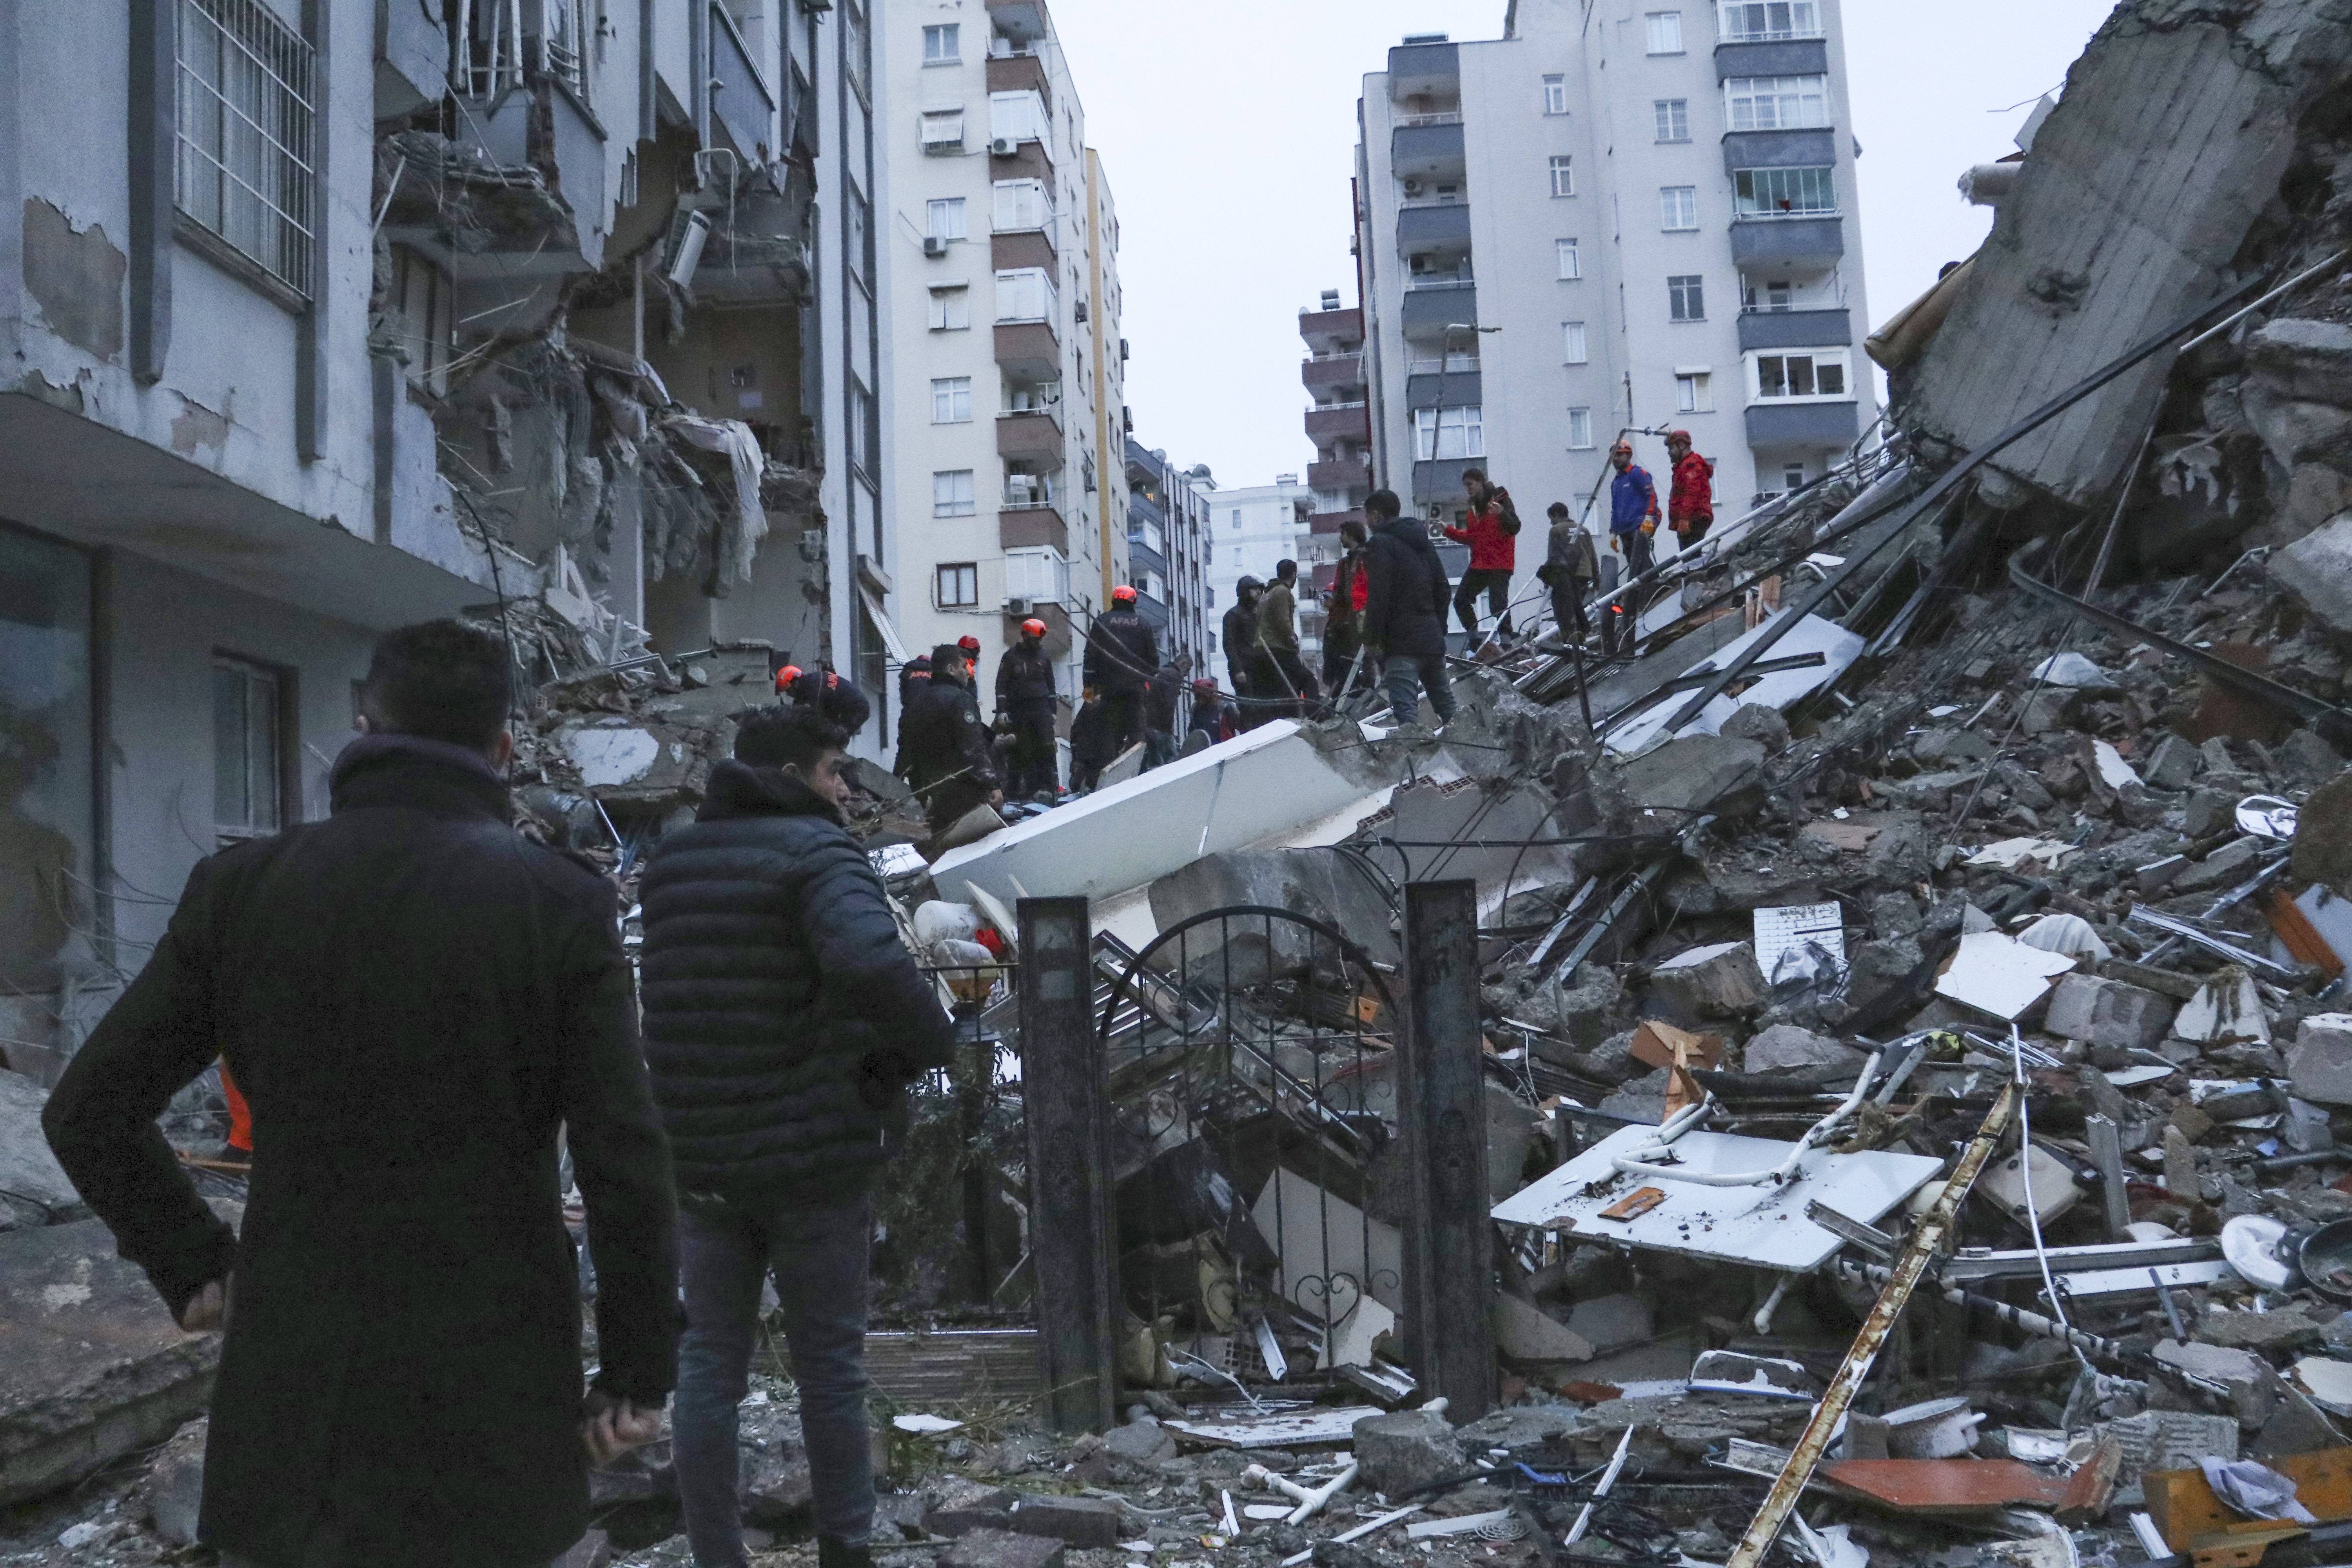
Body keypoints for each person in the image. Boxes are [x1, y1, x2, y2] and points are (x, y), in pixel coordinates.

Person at [43, 619, 680, 1568]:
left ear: (363, 723)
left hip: (300, 1381)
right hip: (491, 1383)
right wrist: (635, 1371)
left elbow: (87, 1108)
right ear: (503, 748)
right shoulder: (559, 903)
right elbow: (622, 1155)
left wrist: (193, 1262)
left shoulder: (243, 889)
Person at [640, 690, 957, 1568]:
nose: (847, 792)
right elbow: (866, 958)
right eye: (833, 772)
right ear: (792, 777)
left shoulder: (672, 863)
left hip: (701, 1158)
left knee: (709, 1365)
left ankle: (715, 1553)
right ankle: (845, 1550)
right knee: (829, 1366)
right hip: (814, 1157)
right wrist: (931, 1042)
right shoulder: (819, 853)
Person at [1360, 488, 1456, 728]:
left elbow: (1379, 596)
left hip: (1401, 643)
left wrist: (1372, 639)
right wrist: (1439, 626)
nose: (1368, 523)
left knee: (1408, 718)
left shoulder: (1380, 544)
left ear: (1376, 515)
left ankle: (1416, 762)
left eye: (1368, 516)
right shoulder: (1423, 542)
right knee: (1450, 711)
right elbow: (1443, 589)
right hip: (1431, 640)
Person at [897, 642, 1002, 835]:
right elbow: (973, 748)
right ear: (951, 669)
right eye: (964, 667)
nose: (968, 672)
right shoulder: (960, 700)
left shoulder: (914, 705)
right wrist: (992, 785)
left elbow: (904, 752)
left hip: (925, 794)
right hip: (960, 794)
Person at [1442, 468, 1521, 640]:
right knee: (1460, 600)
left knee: (1497, 604)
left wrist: (1501, 514)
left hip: (1500, 563)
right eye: (1466, 486)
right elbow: (1473, 538)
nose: (1468, 489)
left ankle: (1506, 640)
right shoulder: (1473, 511)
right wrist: (1448, 531)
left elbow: (1515, 527)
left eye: (1470, 484)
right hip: (1481, 563)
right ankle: (1475, 640)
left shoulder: (1501, 500)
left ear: (1481, 482)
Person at [1082, 586, 1158, 758]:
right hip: (1135, 690)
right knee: (1136, 733)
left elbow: (1091, 655)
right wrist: (1144, 680)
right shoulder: (1143, 624)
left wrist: (1088, 684)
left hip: (1108, 690)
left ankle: (1110, 768)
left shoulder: (1102, 622)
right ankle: (1136, 770)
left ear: (1114, 601)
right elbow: (1153, 661)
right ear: (1134, 601)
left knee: (1109, 732)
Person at [1605, 442, 1661, 653]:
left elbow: (1651, 496)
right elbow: (1615, 509)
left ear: (1627, 456)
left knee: (1641, 560)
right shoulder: (1616, 483)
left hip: (1641, 525)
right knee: (1634, 562)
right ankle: (1647, 586)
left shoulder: (1638, 474)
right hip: (1626, 529)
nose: (1616, 461)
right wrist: (1614, 532)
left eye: (1619, 456)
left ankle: (1653, 586)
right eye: (1614, 457)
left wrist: (1649, 517)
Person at [994, 619, 1059, 800]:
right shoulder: (1010, 658)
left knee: (1046, 748)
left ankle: (1048, 788)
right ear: (1024, 636)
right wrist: (1002, 711)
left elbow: (1051, 685)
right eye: (1034, 639)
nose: (1037, 643)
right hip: (1019, 710)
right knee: (1021, 750)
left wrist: (1052, 711)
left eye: (1039, 640)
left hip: (1041, 709)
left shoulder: (1044, 657)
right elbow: (1001, 685)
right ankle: (1019, 792)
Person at [1254, 559, 1322, 721]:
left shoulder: (1266, 594)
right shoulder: (1283, 592)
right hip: (1278, 649)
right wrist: (1294, 643)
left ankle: (1289, 718)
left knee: (1284, 688)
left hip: (1262, 650)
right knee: (1308, 681)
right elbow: (1283, 623)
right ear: (1294, 575)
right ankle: (1316, 717)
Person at [1321, 521, 1372, 695]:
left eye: (1342, 534)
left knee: (1373, 651)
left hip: (1366, 609)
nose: (1340, 538)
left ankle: (1374, 686)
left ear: (1351, 534)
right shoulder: (1346, 562)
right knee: (1361, 655)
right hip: (1353, 613)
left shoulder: (1368, 557)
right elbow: (1340, 591)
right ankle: (1368, 687)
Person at [1539, 501, 1599, 644]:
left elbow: (1553, 557)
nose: (1551, 522)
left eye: (1552, 518)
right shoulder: (1583, 529)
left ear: (1557, 515)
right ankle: (1580, 635)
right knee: (1578, 606)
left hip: (1567, 575)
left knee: (1567, 610)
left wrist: (1549, 581)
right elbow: (1593, 554)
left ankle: (1573, 638)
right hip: (1585, 573)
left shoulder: (1556, 531)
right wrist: (1597, 578)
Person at [1665, 430, 1716, 549]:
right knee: (1689, 555)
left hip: (1694, 519)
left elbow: (1691, 494)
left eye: (1671, 448)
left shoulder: (1691, 465)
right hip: (1692, 518)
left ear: (1682, 445)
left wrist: (1684, 519)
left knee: (1690, 557)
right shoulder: (1684, 466)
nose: (1669, 453)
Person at [1221, 576, 1264, 715]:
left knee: (1262, 707)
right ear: (1245, 591)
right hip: (1244, 669)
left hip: (1258, 667)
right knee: (1249, 708)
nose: (1258, 592)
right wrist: (1238, 669)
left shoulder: (1257, 615)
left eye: (1260, 589)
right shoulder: (1233, 615)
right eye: (1254, 589)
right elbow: (1229, 644)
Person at [1142, 653, 1192, 769]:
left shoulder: (1160, 671)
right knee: (1172, 765)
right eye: (1188, 670)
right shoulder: (1175, 675)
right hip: (1161, 727)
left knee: (1152, 762)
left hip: (1147, 723)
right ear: (1183, 664)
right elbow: (1170, 703)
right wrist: (1169, 728)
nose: (1187, 675)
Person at [1069, 686, 1116, 791]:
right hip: (1097, 760)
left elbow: (1075, 735)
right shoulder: (1105, 710)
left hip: (1091, 760)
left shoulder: (1085, 712)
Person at [1188, 677, 1237, 749]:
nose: (1196, 699)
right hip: (1203, 752)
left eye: (1198, 696)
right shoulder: (1195, 710)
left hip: (1224, 750)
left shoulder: (1225, 707)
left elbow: (1242, 725)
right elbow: (1192, 733)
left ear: (1207, 695)